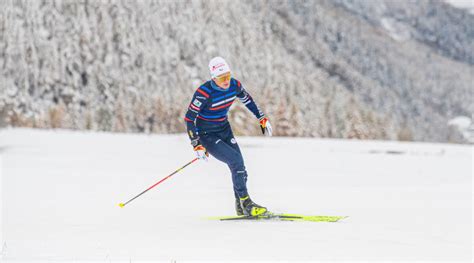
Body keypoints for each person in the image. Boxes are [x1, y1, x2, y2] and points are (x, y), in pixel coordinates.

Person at [184, 56, 273, 216]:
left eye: (228, 75)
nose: (226, 81)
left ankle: (240, 206)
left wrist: (262, 118)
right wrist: (196, 143)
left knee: (241, 168)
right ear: (213, 77)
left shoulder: (234, 85)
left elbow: (248, 100)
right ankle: (247, 203)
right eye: (222, 77)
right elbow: (189, 118)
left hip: (224, 129)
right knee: (236, 161)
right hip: (207, 134)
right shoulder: (204, 93)